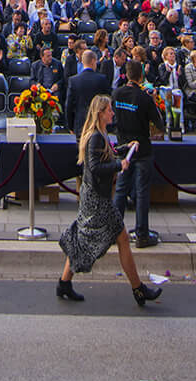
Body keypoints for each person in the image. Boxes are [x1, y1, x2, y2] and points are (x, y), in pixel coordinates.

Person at [54, 93, 163, 307]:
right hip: (98, 200)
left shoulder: (100, 133)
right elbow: (95, 167)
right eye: (109, 110)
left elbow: (109, 153)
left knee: (87, 239)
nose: (113, 113)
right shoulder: (96, 136)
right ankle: (138, 289)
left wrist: (124, 148)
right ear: (101, 113)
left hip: (96, 197)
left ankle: (65, 282)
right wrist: (118, 166)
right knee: (118, 238)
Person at [111, 58, 164, 247]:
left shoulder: (116, 94)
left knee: (120, 190)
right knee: (141, 193)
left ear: (126, 74)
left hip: (123, 147)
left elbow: (112, 119)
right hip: (141, 149)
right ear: (141, 76)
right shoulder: (144, 98)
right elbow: (159, 123)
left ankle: (114, 232)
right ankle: (142, 234)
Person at [65, 48, 110, 133]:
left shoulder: (73, 80)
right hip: (97, 123)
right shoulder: (102, 79)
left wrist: (70, 126)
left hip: (80, 124)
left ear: (82, 61)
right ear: (93, 61)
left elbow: (69, 106)